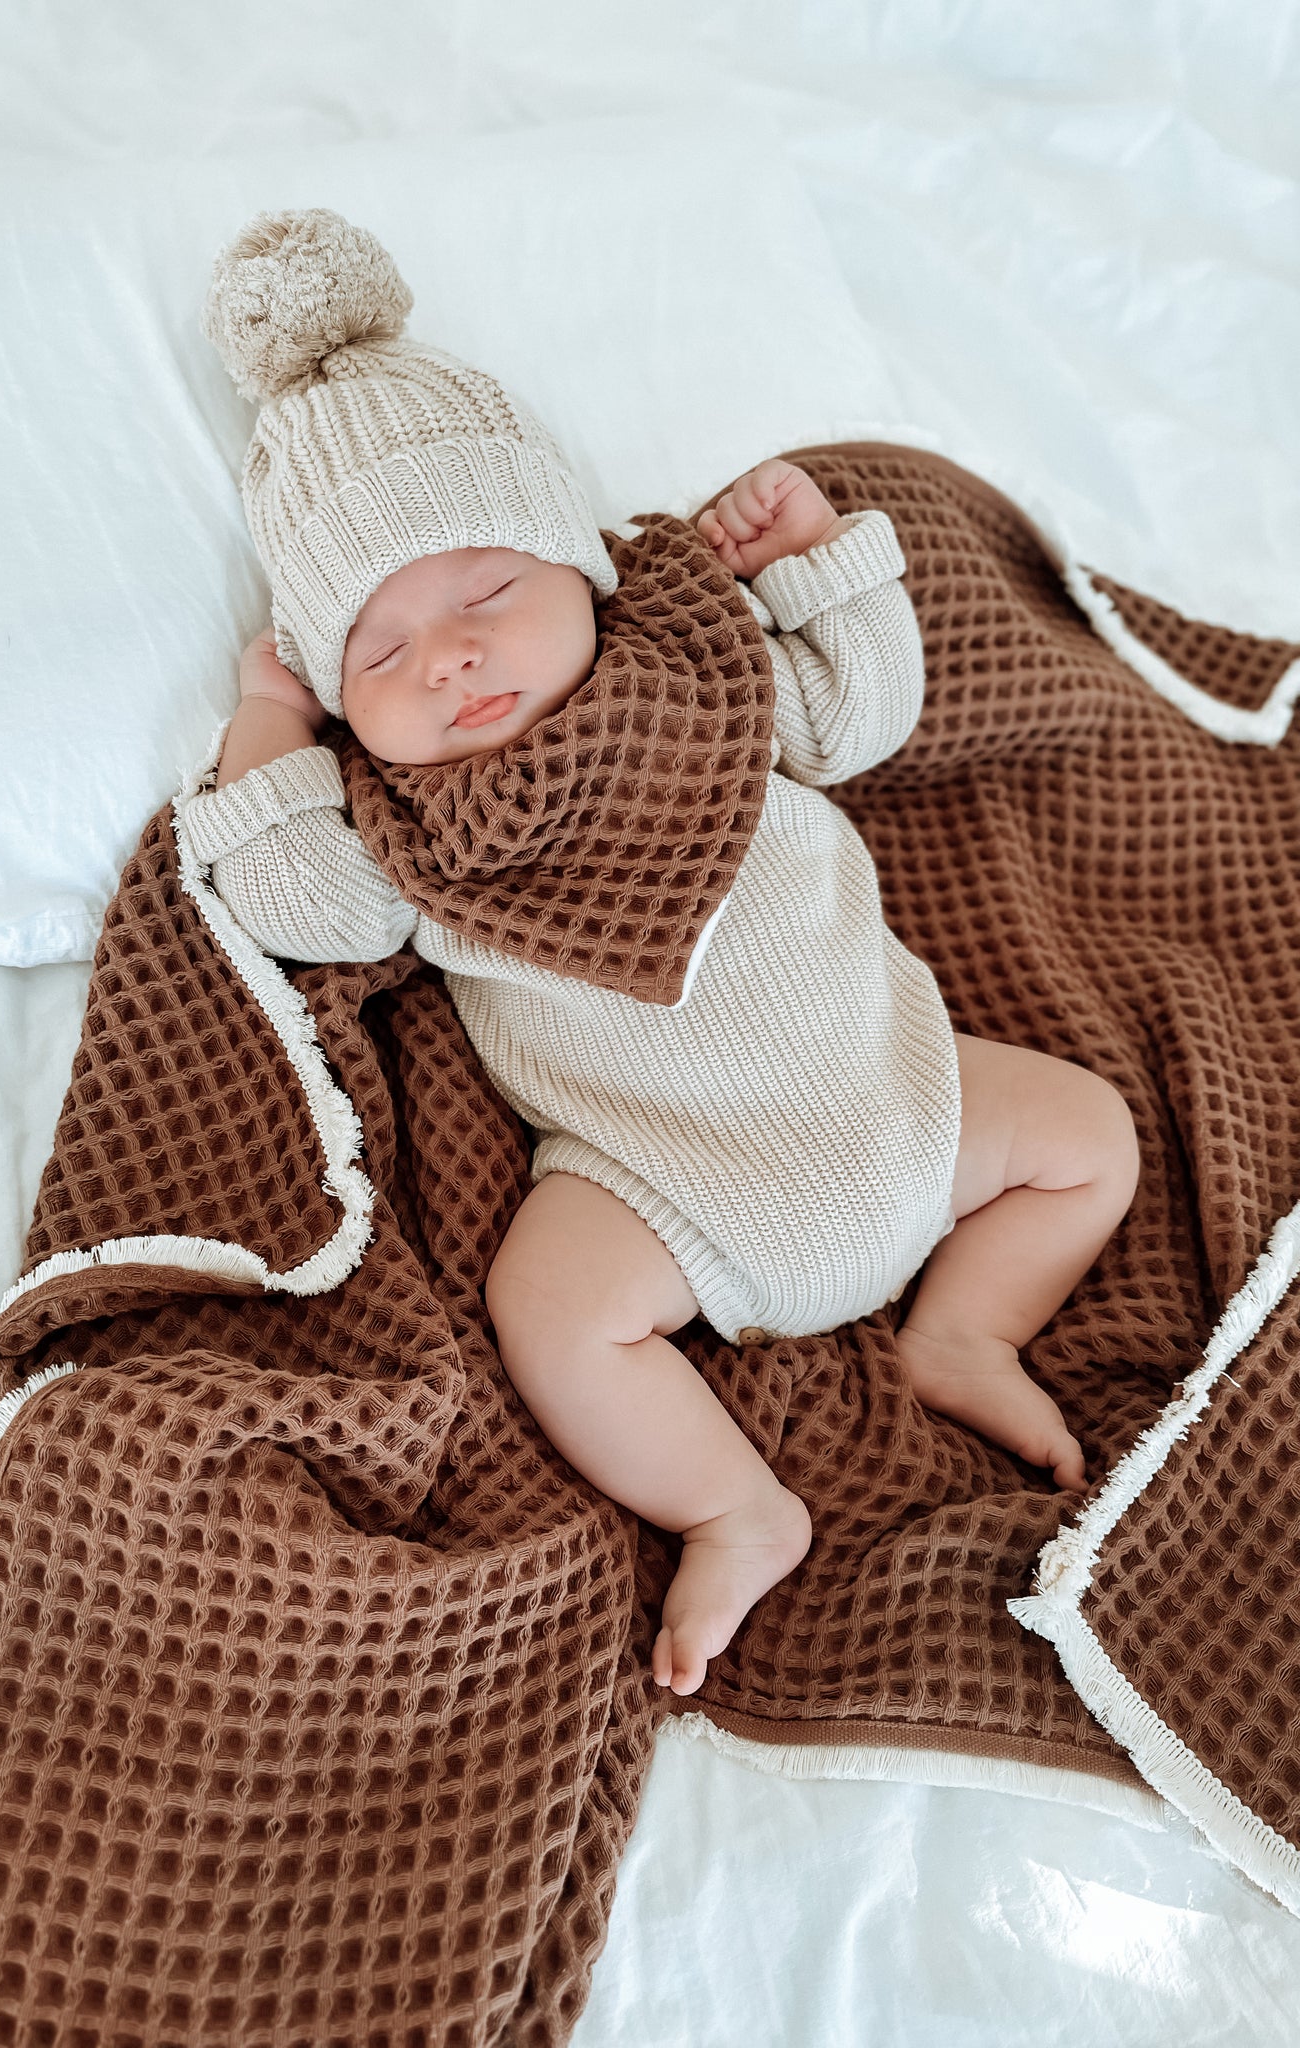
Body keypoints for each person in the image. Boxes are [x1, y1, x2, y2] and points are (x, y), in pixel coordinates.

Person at [183, 208, 1141, 1697]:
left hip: (901, 1099)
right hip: (666, 1185)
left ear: (584, 570)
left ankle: (966, 1328)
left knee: (1089, 1135)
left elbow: (862, 710)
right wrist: (269, 734)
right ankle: (734, 1505)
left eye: (488, 590)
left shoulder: (701, 677)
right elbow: (315, 909)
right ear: (344, 699)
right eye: (380, 650)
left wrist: (819, 562)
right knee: (549, 1315)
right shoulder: (415, 837)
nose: (449, 652)